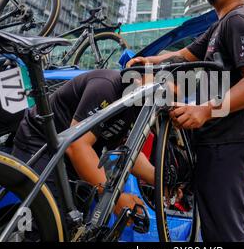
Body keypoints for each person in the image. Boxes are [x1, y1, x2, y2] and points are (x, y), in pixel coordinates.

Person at [127, 0, 244, 242]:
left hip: (231, 138)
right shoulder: (219, 26)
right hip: (217, 139)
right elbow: (182, 55)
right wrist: (149, 62)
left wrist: (205, 110)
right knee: (213, 230)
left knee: (225, 234)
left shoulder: (241, 20)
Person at [12, 69, 155, 216]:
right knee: (53, 218)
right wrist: (113, 198)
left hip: (69, 151)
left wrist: (158, 179)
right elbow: (77, 145)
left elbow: (129, 152)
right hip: (40, 141)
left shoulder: (141, 103)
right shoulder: (107, 87)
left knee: (79, 220)